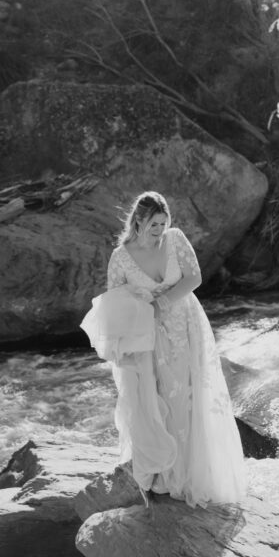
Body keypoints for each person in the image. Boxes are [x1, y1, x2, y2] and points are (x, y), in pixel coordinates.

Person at [105, 190, 247, 508]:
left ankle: (186, 473)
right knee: (153, 397)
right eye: (154, 224)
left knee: (184, 394)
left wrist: (162, 300)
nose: (159, 230)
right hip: (147, 335)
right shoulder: (121, 257)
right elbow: (115, 302)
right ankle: (160, 473)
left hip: (184, 326)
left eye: (163, 223)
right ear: (138, 222)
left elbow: (194, 277)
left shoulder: (175, 240)